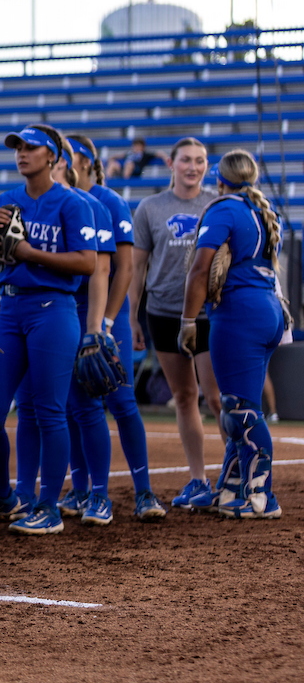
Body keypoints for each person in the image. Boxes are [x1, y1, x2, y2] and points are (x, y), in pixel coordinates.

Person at [0, 126, 97, 536]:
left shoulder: (73, 204)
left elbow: (87, 263)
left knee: (48, 411)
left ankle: (48, 506)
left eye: (31, 148)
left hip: (54, 308)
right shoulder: (7, 200)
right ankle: (3, 495)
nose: (22, 154)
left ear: (54, 156)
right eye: (18, 148)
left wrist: (29, 254)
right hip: (11, 307)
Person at [10, 128, 114, 526]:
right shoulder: (23, 201)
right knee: (34, 408)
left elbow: (101, 271)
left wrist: (96, 327)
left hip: (77, 312)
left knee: (84, 407)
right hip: (37, 312)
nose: (24, 154)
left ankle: (97, 493)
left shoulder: (89, 205)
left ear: (60, 160)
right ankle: (30, 491)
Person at [180, 149, 285, 518]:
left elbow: (198, 271)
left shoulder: (224, 208)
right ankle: (231, 488)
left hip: (239, 312)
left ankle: (261, 497)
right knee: (238, 406)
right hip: (267, 309)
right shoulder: (264, 211)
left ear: (220, 179)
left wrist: (188, 321)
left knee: (238, 409)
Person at [67, 134, 166, 520]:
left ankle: (144, 492)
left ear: (89, 162)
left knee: (122, 401)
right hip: (68, 312)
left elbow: (124, 268)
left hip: (107, 313)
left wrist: (107, 321)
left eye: (72, 157)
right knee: (78, 405)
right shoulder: (61, 200)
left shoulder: (110, 201)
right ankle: (87, 492)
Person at [129, 138, 222, 509]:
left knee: (217, 398)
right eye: (186, 160)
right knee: (184, 397)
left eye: (200, 161)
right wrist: (134, 317)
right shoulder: (151, 207)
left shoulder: (217, 202)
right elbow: (136, 267)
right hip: (163, 312)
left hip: (208, 315)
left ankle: (236, 475)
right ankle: (198, 478)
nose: (193, 167)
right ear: (172, 163)